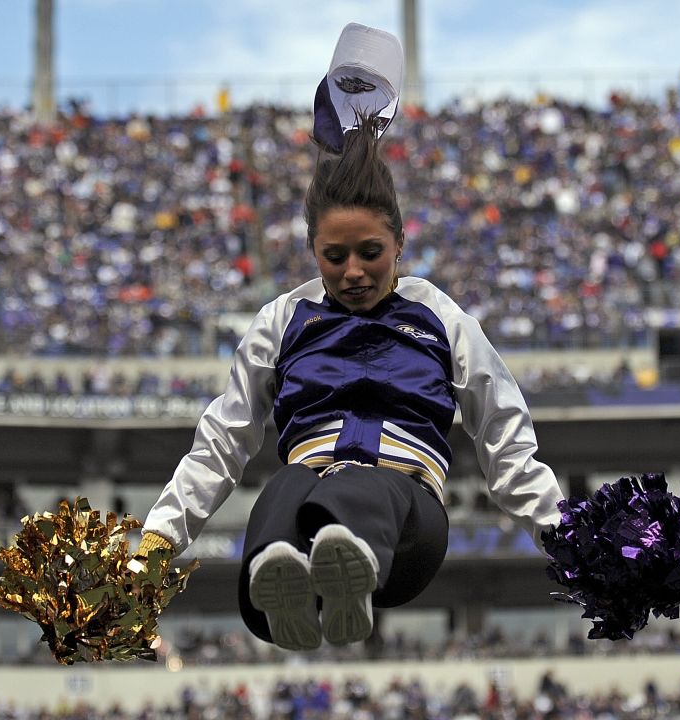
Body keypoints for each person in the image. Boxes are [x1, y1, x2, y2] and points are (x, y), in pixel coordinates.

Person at [138, 24, 563, 652]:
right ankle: (288, 591)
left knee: (362, 485)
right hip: (307, 500)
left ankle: (349, 560)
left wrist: (566, 535)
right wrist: (156, 542)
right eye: (334, 256)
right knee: (283, 487)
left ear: (399, 245)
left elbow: (505, 434)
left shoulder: (440, 317)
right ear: (313, 249)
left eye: (371, 253)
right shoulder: (283, 320)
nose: (354, 272)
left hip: (408, 522)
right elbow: (221, 443)